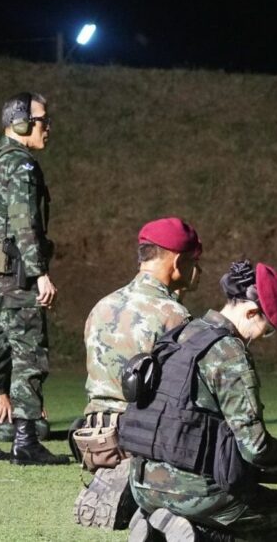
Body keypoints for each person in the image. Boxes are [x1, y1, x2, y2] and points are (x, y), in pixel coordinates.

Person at [122, 260, 277, 542]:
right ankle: (198, 533)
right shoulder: (229, 353)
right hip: (192, 491)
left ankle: (159, 523)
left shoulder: (181, 335)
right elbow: (256, 448)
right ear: (252, 312)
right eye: (267, 328)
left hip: (141, 484)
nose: (262, 337)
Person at [0, 92, 66, 465]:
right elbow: (24, 222)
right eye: (42, 120)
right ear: (21, 123)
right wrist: (40, 273)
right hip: (15, 274)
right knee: (29, 353)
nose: (47, 127)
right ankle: (26, 440)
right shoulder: (20, 164)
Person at [73, 217, 203, 529]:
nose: (198, 270)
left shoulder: (102, 305)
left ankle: (118, 477)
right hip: (139, 438)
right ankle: (143, 485)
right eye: (194, 261)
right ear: (178, 261)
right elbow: (183, 391)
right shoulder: (173, 315)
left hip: (93, 437)